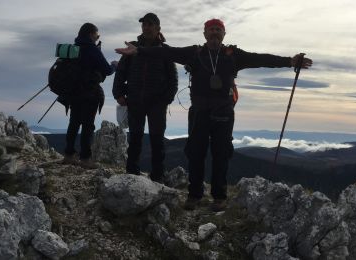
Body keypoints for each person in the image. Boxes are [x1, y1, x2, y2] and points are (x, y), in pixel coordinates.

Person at [115, 18, 313, 211]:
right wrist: (139, 50)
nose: (214, 33)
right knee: (195, 153)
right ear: (204, 34)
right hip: (200, 112)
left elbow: (260, 59)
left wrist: (289, 61)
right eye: (211, 29)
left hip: (223, 113)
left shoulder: (233, 54)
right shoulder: (195, 53)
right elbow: (166, 52)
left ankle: (219, 197)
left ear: (224, 34)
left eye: (218, 29)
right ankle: (195, 195)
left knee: (221, 155)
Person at [112, 13, 178, 183]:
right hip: (135, 100)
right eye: (144, 25)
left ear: (158, 28)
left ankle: (157, 175)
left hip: (157, 103)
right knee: (135, 138)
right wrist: (118, 93)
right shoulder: (132, 48)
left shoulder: (164, 50)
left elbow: (173, 78)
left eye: (150, 24)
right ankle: (132, 172)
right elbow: (121, 72)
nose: (146, 27)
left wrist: (167, 98)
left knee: (157, 140)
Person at [63, 23, 118, 169]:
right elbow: (106, 70)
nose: (97, 37)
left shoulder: (74, 48)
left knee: (74, 123)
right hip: (89, 93)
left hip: (73, 92)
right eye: (96, 35)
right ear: (90, 34)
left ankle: (68, 155)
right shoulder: (92, 49)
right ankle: (85, 159)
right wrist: (114, 65)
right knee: (88, 125)